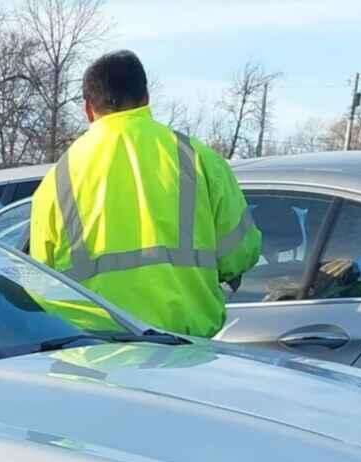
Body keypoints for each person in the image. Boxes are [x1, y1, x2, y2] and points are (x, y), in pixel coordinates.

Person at [29, 50, 261, 337]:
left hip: (90, 358)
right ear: (146, 96)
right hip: (185, 351)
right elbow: (240, 253)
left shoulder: (57, 177)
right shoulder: (198, 158)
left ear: (88, 108)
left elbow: (40, 278)